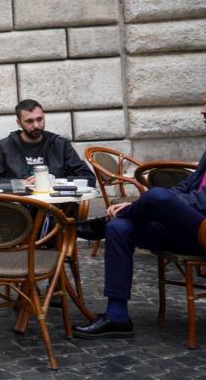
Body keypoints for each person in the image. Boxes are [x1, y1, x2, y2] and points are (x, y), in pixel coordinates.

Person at [73, 98, 206, 339]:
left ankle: (108, 220)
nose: (203, 110)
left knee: (158, 196)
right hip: (187, 229)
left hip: (204, 233)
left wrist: (159, 204)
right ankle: (117, 316)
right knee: (119, 227)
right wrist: (160, 204)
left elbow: (202, 201)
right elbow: (187, 186)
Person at [0, 99, 95, 186]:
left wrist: (52, 180)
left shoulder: (60, 144)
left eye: (39, 119)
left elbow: (88, 178)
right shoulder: (4, 147)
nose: (36, 125)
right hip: (18, 207)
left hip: (56, 207)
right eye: (29, 121)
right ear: (19, 123)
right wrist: (20, 183)